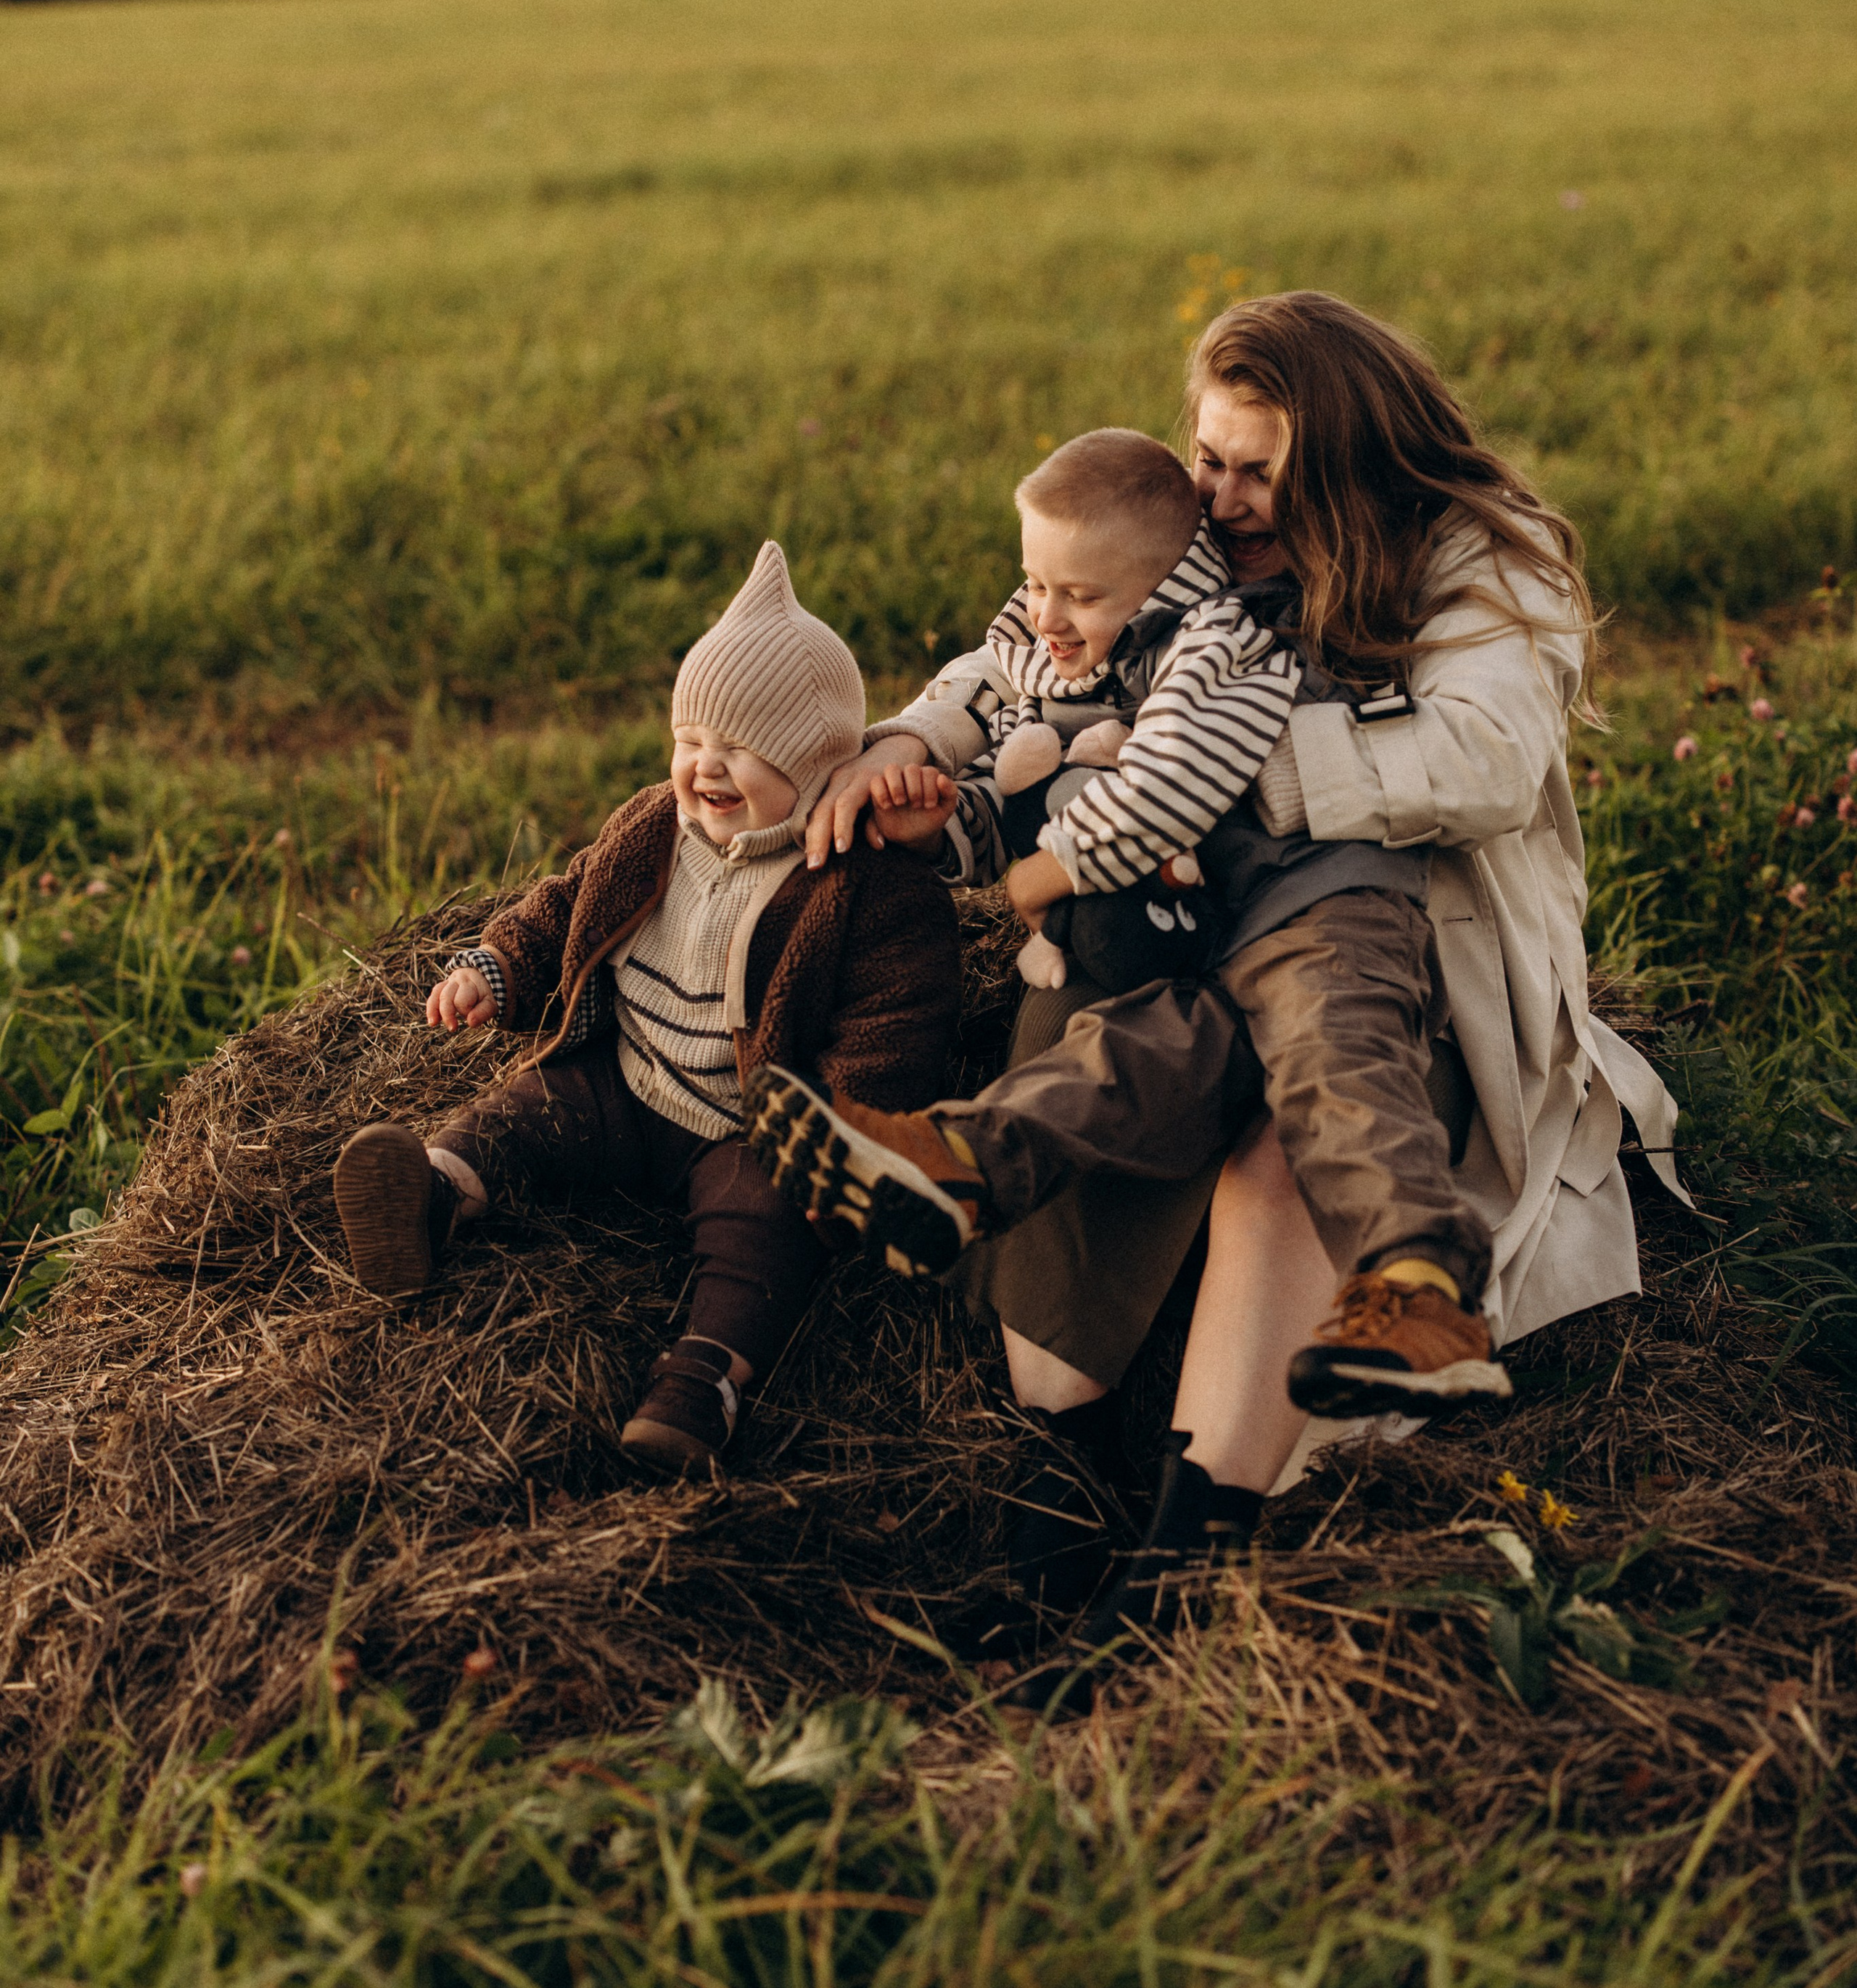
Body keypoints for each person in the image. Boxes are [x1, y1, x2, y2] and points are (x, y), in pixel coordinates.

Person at [781, 291, 1685, 1681]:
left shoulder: (1479, 561)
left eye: (1258, 469)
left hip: (1395, 954)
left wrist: (1206, 768)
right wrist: (915, 739)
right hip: (1192, 923)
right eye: (1208, 458)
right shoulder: (1208, 535)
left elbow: (1487, 763)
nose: (1221, 494)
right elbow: (1046, 624)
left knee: (1285, 1149)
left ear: (1348, 458)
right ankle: (1051, 1506)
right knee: (1081, 1039)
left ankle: (1183, 1563)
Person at [331, 541, 962, 1474]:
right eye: (690, 742)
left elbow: (895, 1025)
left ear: (816, 761)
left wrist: (834, 1136)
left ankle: (705, 1379)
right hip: (626, 1082)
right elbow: (566, 902)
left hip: (743, 1130)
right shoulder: (652, 826)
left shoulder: (866, 886)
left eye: (740, 750)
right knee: (518, 1114)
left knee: (763, 1238)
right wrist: (495, 967)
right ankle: (431, 1195)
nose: (706, 768)